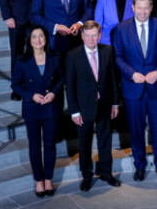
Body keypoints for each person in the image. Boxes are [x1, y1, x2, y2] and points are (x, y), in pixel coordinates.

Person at [113, 0, 157, 181]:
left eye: (146, 8)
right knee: (136, 129)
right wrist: (131, 73)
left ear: (151, 8)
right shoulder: (121, 29)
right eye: (139, 8)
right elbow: (118, 57)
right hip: (133, 87)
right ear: (133, 8)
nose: (142, 11)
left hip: (156, 86)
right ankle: (139, 165)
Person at [65, 21, 120, 192]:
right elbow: (70, 86)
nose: (91, 39)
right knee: (85, 143)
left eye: (94, 35)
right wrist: (74, 111)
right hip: (83, 107)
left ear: (100, 35)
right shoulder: (73, 55)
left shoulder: (107, 51)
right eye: (87, 35)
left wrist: (115, 102)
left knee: (105, 141)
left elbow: (113, 79)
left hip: (104, 104)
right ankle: (86, 175)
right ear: (82, 36)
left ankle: (106, 172)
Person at [11, 25, 64, 198]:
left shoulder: (55, 57)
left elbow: (62, 79)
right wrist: (31, 96)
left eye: (41, 36)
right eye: (34, 37)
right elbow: (15, 84)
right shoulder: (22, 60)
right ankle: (39, 180)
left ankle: (48, 178)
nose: (38, 40)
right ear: (29, 40)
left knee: (49, 145)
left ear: (46, 38)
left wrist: (53, 93)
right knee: (35, 147)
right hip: (32, 108)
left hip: (50, 107)